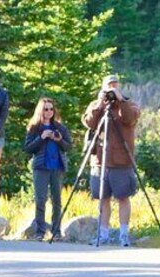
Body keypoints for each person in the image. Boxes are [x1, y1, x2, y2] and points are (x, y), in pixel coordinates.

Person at [82, 74, 140, 247]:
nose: (112, 90)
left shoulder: (128, 104)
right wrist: (100, 103)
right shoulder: (97, 105)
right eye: (109, 86)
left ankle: (123, 233)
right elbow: (89, 122)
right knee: (102, 198)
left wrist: (121, 101)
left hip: (121, 161)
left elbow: (130, 118)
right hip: (100, 160)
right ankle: (103, 233)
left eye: (115, 86)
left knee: (123, 197)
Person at [24, 97, 72, 241]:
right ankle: (40, 231)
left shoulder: (60, 127)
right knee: (40, 199)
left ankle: (56, 231)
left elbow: (68, 146)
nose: (49, 112)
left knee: (57, 199)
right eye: (46, 109)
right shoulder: (34, 128)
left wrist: (59, 140)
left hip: (57, 166)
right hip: (41, 167)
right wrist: (41, 137)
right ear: (41, 110)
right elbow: (27, 148)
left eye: (51, 109)